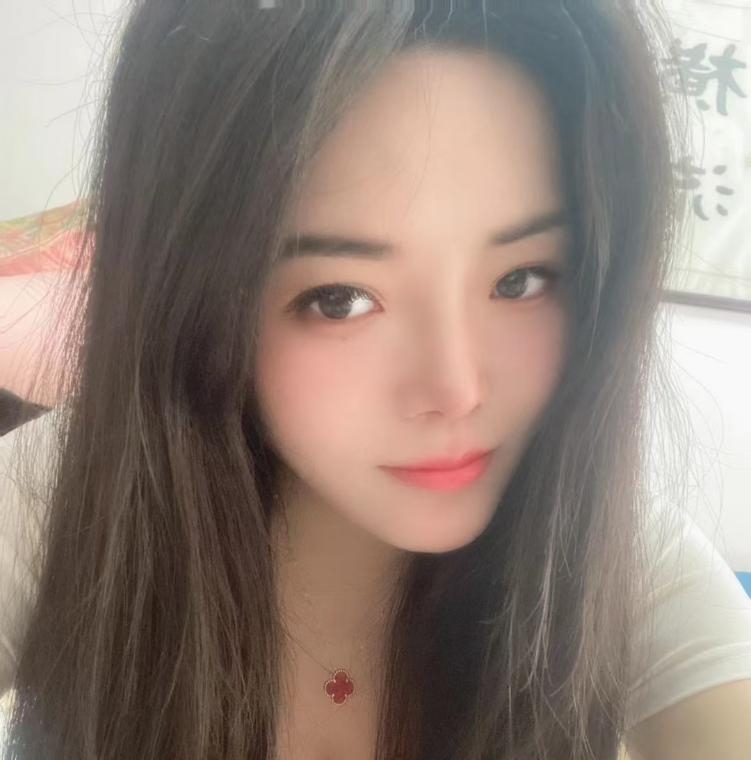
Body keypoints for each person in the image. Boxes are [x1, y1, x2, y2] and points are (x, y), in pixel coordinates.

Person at [1, 1, 750, 759]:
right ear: (195, 299)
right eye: (340, 299)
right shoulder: (59, 497)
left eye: (521, 280)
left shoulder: (611, 549)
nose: (457, 390)